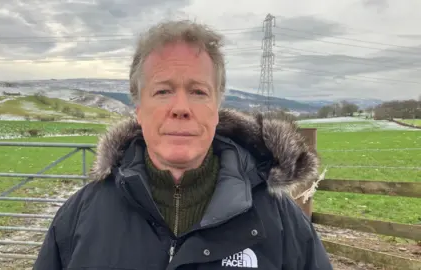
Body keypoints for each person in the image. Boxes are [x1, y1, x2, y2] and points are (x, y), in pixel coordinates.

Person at [33, 19, 333, 270]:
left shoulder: (281, 223)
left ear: (217, 108)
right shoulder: (79, 218)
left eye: (198, 92)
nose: (181, 107)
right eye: (163, 91)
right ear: (138, 108)